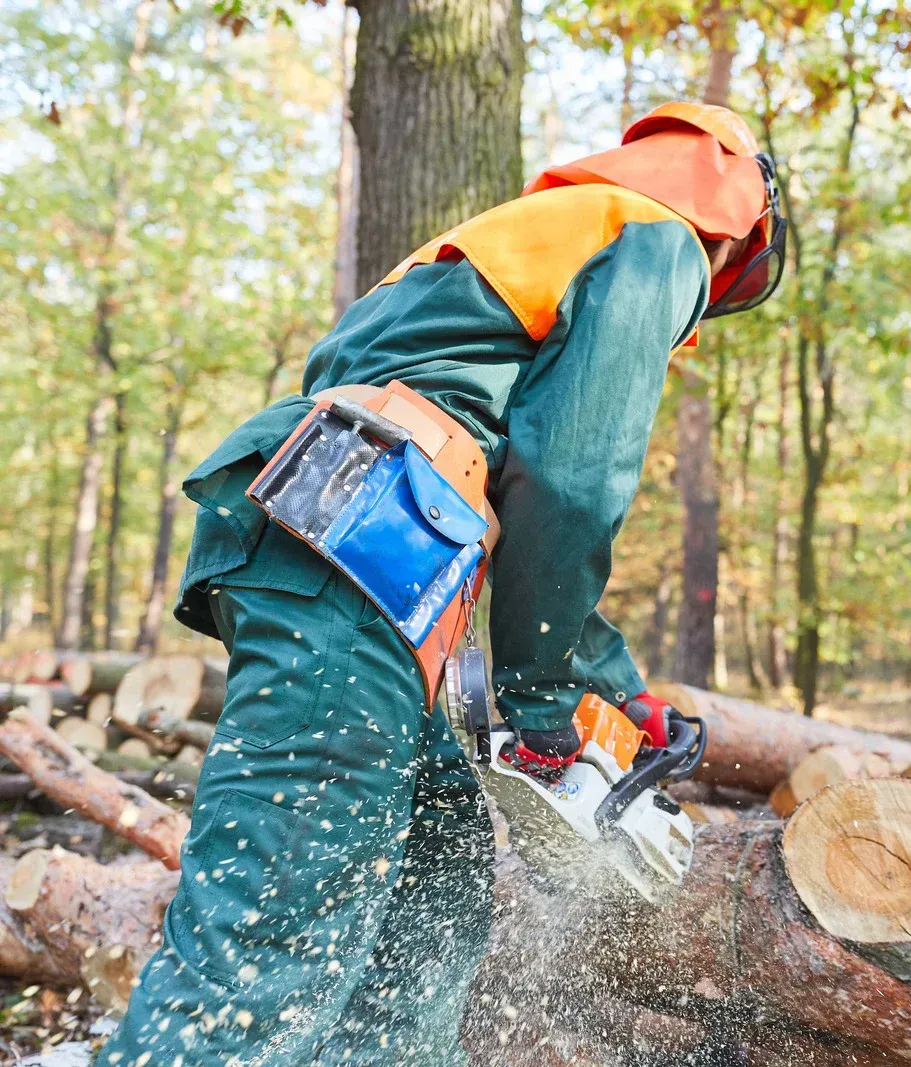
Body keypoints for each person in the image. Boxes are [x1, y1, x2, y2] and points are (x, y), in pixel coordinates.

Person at [98, 102, 786, 1067]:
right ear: (738, 217)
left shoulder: (523, 244)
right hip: (358, 559)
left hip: (344, 548)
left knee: (437, 874)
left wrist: (609, 681)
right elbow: (573, 477)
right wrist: (542, 694)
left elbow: (515, 473)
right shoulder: (656, 236)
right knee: (270, 942)